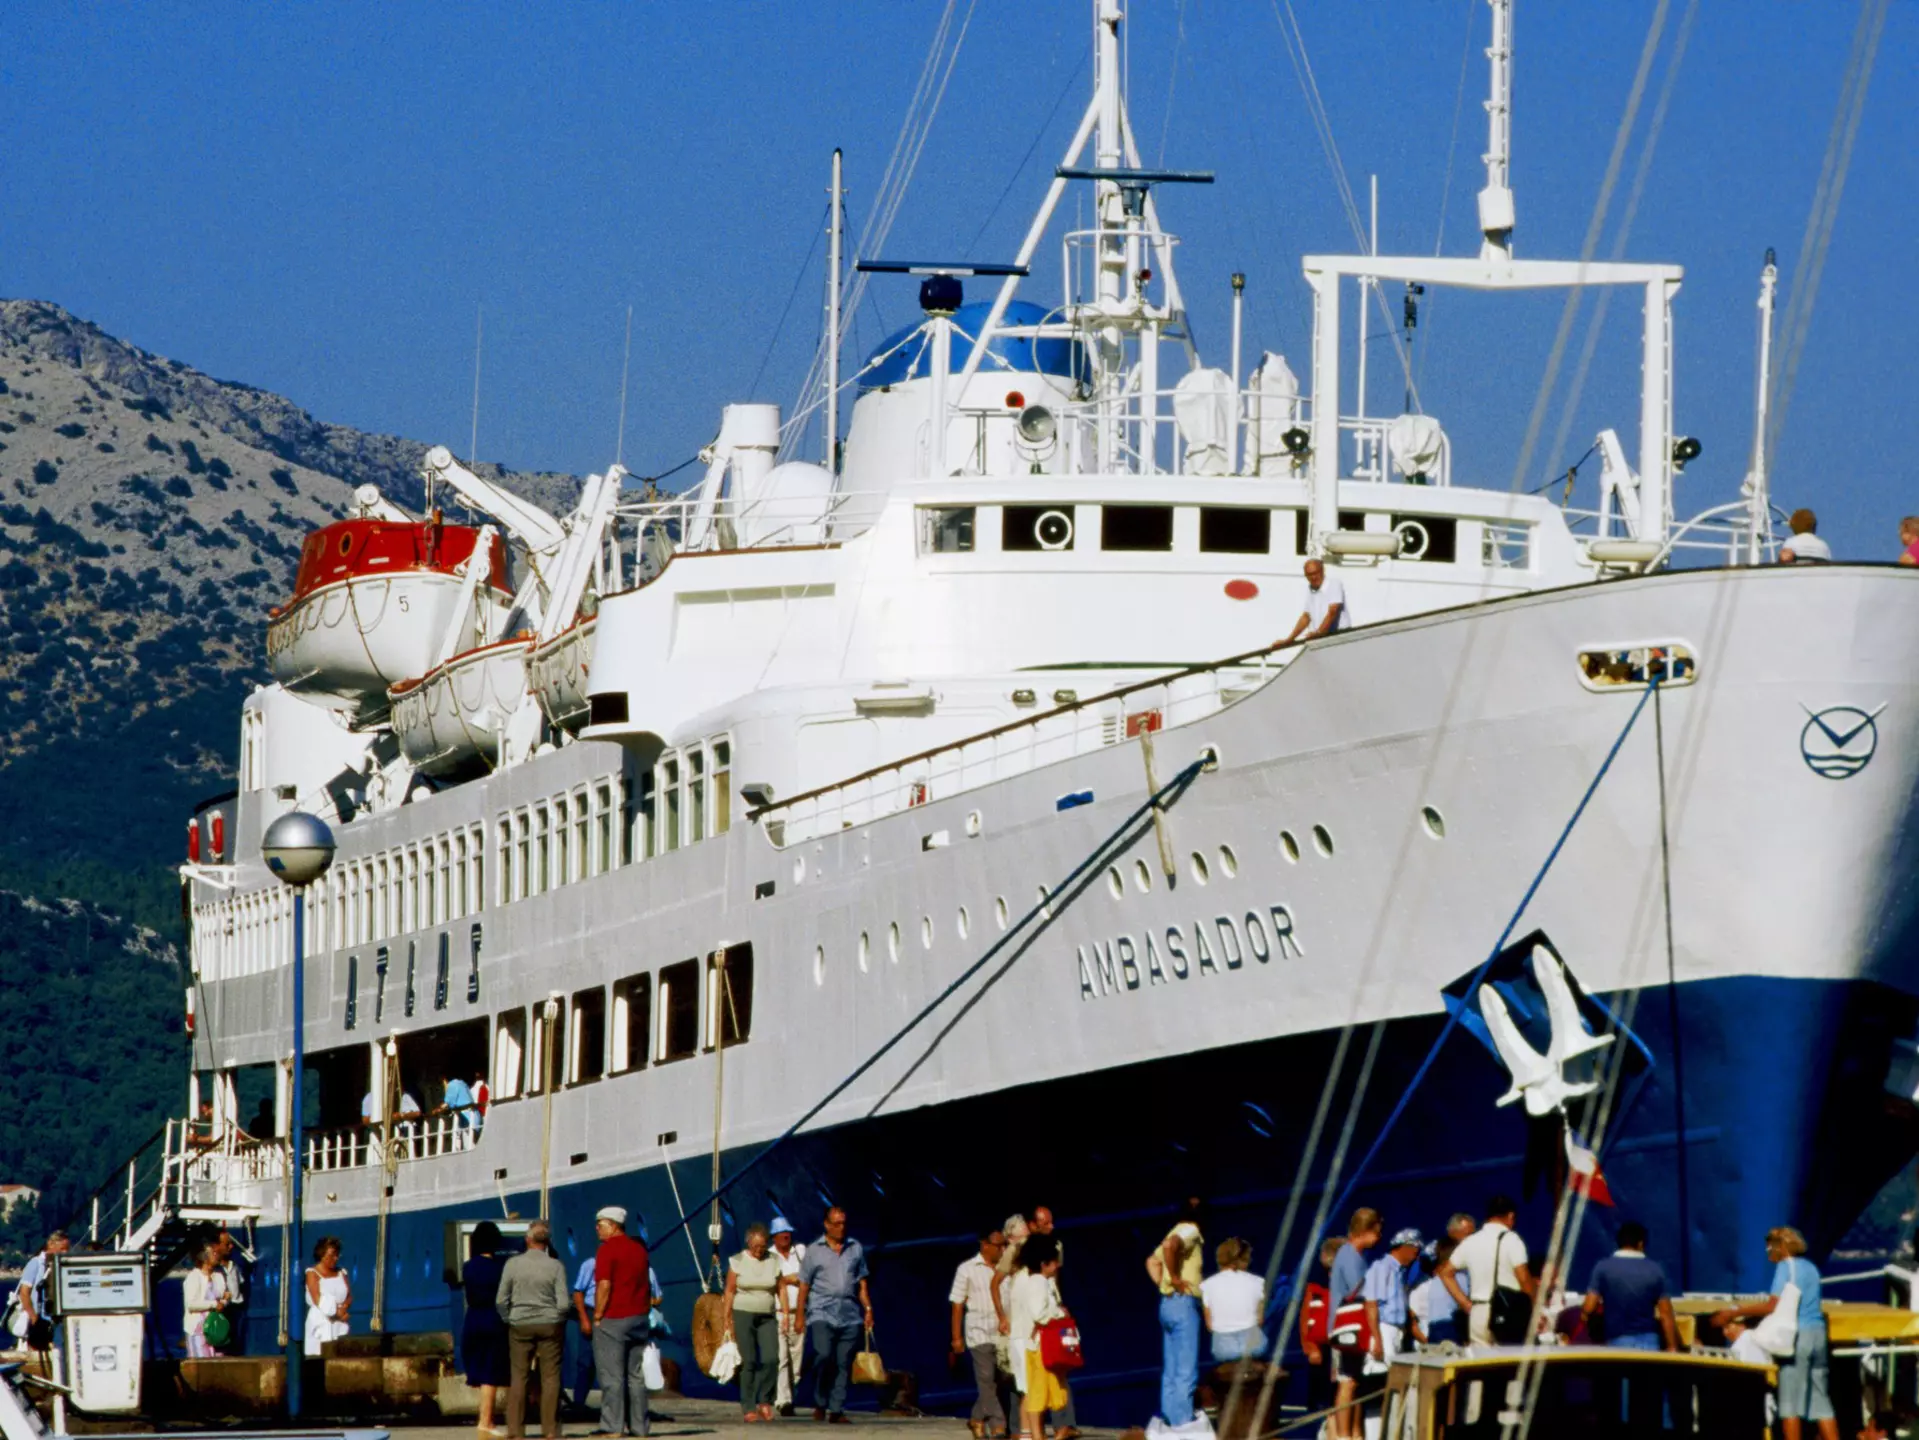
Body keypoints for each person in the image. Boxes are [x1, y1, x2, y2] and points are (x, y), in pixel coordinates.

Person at [1710, 1226, 1837, 1440]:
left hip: (1798, 1338)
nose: (1767, 1251)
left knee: (1789, 1405)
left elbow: (1772, 1306)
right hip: (1818, 1334)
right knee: (1820, 1402)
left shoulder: (1786, 1267)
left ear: (1780, 1247)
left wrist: (1734, 1312)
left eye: (1769, 1247)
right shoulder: (1810, 1268)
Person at [795, 1206, 873, 1424]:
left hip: (850, 1315)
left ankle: (836, 1409)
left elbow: (862, 1282)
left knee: (843, 1362)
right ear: (827, 1225)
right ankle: (820, 1402)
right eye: (837, 1224)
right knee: (822, 1355)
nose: (842, 1228)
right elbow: (804, 1286)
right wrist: (800, 1316)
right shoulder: (814, 1251)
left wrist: (868, 1309)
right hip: (821, 1312)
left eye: (844, 1223)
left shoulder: (855, 1248)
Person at [498, 1219, 570, 1440]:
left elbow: (501, 1299)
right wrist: (557, 1319)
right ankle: (550, 1430)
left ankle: (516, 1431)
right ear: (547, 1242)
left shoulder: (512, 1264)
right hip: (549, 1324)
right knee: (551, 1377)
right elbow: (564, 1303)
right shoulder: (556, 1266)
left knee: (519, 1377)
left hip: (520, 1324)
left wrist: (509, 1318)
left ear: (527, 1240)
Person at [1438, 1195, 1535, 1348]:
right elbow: (1523, 1277)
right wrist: (1533, 1306)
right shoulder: (1511, 1239)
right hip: (1507, 1312)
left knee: (1482, 1366)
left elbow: (1445, 1273)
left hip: (1478, 1312)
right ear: (1510, 1216)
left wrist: (1465, 1303)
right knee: (1510, 1364)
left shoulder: (1471, 1241)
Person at [592, 1205, 652, 1438]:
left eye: (601, 1224)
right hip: (639, 1318)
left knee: (612, 1377)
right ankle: (639, 1427)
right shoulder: (639, 1250)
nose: (597, 1228)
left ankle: (611, 1427)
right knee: (636, 1377)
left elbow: (604, 1285)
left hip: (614, 1318)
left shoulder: (607, 1250)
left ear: (613, 1225)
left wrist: (597, 1314)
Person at [1151, 1196, 1207, 1429]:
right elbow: (1169, 1247)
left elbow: (1151, 1261)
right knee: (1186, 1368)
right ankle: (1184, 1424)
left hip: (1167, 1304)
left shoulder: (1174, 1229)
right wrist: (1175, 1279)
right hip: (1184, 1304)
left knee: (1171, 1368)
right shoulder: (1190, 1230)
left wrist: (1164, 1286)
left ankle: (1170, 1420)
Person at [1327, 1208, 1382, 1440]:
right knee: (1347, 1382)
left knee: (1353, 1381)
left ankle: (1353, 1432)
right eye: (1377, 1233)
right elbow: (1356, 1292)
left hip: (1350, 1325)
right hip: (1346, 1326)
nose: (1379, 1238)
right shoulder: (1349, 1256)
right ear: (1365, 1231)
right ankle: (1342, 1434)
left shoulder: (1353, 1255)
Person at [951, 1228, 1011, 1439]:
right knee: (986, 1378)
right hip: (979, 1333)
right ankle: (998, 1426)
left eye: (1004, 1245)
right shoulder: (967, 1269)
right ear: (985, 1245)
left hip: (1003, 1335)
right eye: (998, 1245)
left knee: (1001, 1379)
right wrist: (956, 1337)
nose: (1003, 1249)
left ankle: (976, 1417)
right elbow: (957, 1304)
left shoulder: (1007, 1269)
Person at [1582, 1220, 1676, 1351]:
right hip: (1649, 1342)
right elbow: (1666, 1313)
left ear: (1618, 1242)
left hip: (1617, 1341)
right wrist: (1672, 1346)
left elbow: (1589, 1307)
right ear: (1641, 1244)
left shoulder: (1603, 1267)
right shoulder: (1656, 1270)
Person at [1009, 1234, 1068, 1440]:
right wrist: (1060, 1314)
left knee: (1038, 1391)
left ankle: (1035, 1433)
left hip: (1033, 1344)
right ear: (1044, 1264)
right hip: (1038, 1346)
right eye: (1054, 1263)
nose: (1057, 1266)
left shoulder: (1033, 1279)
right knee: (1036, 1391)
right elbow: (1038, 1313)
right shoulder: (1038, 1282)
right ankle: (1034, 1433)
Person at [725, 1222, 782, 1422]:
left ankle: (765, 1401)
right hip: (743, 1313)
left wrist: (783, 1311)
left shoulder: (774, 1260)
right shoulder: (738, 1260)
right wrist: (727, 1320)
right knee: (749, 1361)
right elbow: (730, 1291)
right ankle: (748, 1405)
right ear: (749, 1243)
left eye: (763, 1246)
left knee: (771, 1359)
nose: (759, 1251)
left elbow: (780, 1288)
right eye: (755, 1246)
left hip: (767, 1315)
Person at [462, 1221, 511, 1437]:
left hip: (473, 1318)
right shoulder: (501, 1268)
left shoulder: (468, 1267)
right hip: (494, 1319)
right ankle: (486, 1420)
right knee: (491, 1372)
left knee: (480, 1370)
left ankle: (485, 1418)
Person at [1363, 1228, 1423, 1370]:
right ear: (1405, 1247)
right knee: (1382, 1374)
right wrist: (1377, 1339)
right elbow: (1371, 1304)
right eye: (1415, 1252)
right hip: (1384, 1330)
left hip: (1398, 1332)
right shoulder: (1381, 1268)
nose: (1416, 1257)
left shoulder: (1400, 1272)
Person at [1200, 1237, 1266, 1364]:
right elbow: (1260, 1320)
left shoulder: (1206, 1285)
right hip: (1253, 1346)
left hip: (1223, 1349)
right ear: (1244, 1258)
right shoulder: (1258, 1282)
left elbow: (1210, 1325)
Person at [770, 1217, 808, 1416]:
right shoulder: (769, 1256)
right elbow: (772, 1282)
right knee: (782, 1357)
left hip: (799, 1312)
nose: (786, 1236)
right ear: (774, 1236)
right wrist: (792, 1278)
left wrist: (785, 1279)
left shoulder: (800, 1251)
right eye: (782, 1233)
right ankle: (783, 1400)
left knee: (797, 1360)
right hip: (778, 1314)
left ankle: (790, 1394)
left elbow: (807, 1277)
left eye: (788, 1232)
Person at [17, 1231, 71, 1349]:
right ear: (51, 1244)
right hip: (39, 1319)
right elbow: (24, 1293)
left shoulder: (62, 1265)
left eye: (67, 1249)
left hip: (55, 1320)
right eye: (62, 1249)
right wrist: (34, 1317)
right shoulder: (36, 1263)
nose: (65, 1252)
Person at [304, 1235, 352, 1356]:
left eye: (337, 1255)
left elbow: (348, 1295)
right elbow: (317, 1299)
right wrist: (337, 1314)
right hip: (321, 1323)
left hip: (339, 1325)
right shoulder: (312, 1273)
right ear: (321, 1254)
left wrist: (344, 1308)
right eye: (331, 1255)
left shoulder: (341, 1272)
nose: (335, 1258)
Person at [1282, 559, 1350, 645]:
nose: (1313, 577)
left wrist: (1319, 633)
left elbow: (1333, 611)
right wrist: (1289, 639)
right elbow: (1306, 617)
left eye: (1315, 573)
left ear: (1322, 571)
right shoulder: (1311, 589)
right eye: (1309, 575)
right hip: (1321, 640)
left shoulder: (1334, 583)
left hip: (1338, 637)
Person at [182, 1242, 230, 1358]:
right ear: (203, 1256)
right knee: (201, 1365)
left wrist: (224, 1302)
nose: (216, 1255)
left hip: (215, 1330)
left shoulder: (218, 1276)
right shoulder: (194, 1277)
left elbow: (224, 1298)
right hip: (198, 1330)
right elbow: (191, 1305)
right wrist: (214, 1304)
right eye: (213, 1252)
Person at [571, 1252, 599, 1415]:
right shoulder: (590, 1264)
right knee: (586, 1361)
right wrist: (584, 1318)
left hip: (611, 1314)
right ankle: (579, 1402)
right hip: (590, 1310)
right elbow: (578, 1291)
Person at [213, 1228, 247, 1354]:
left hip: (237, 1310)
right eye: (227, 1244)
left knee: (236, 1345)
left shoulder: (235, 1266)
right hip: (222, 1311)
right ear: (217, 1246)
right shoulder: (215, 1270)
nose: (231, 1246)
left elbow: (241, 1284)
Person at [444, 1072, 480, 1146]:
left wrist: (436, 1110)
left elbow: (448, 1103)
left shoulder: (452, 1084)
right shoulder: (463, 1083)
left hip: (467, 1120)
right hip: (474, 1117)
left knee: (468, 1145)